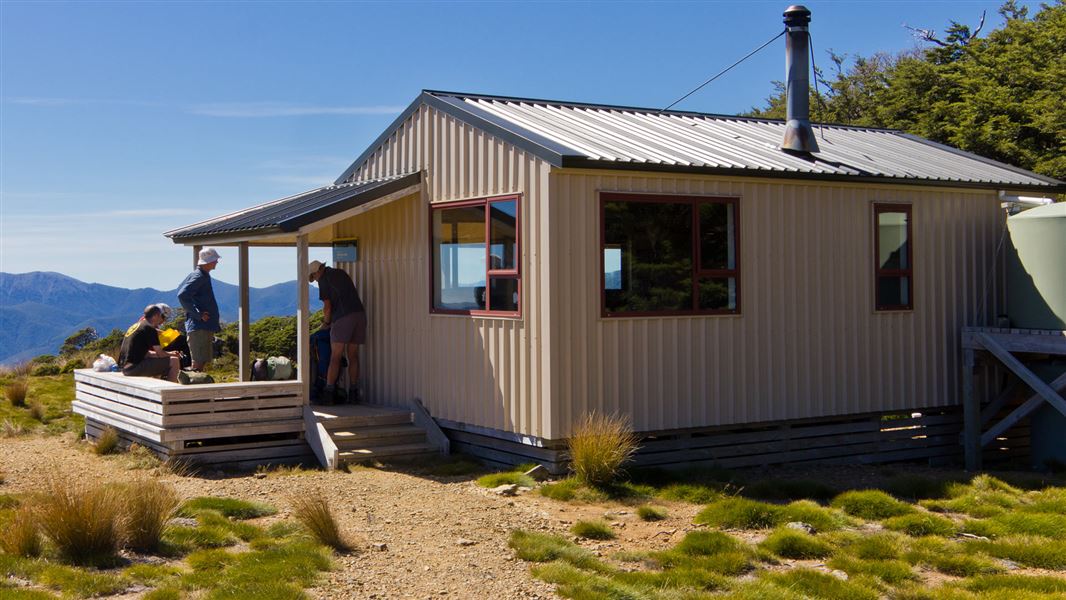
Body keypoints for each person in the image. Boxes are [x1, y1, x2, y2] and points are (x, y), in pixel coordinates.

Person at [308, 260, 366, 403]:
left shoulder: (323, 280)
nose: (315, 280)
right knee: (353, 356)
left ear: (317, 272)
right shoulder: (340, 273)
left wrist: (326, 323)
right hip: (359, 315)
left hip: (343, 317)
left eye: (313, 277)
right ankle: (354, 393)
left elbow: (327, 307)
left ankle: (329, 393)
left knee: (335, 356)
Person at [177, 248, 222, 371]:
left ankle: (194, 384)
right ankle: (191, 387)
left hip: (203, 326)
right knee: (197, 362)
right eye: (215, 260)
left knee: (201, 361)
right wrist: (198, 314)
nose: (217, 262)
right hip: (199, 326)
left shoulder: (202, 275)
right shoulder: (199, 276)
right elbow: (182, 295)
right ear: (208, 261)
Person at [119, 305, 181, 381]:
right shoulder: (150, 329)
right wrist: (173, 354)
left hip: (124, 367)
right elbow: (160, 354)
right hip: (133, 368)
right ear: (156, 316)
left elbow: (146, 353)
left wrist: (170, 353)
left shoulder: (137, 326)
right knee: (174, 361)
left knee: (158, 361)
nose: (162, 320)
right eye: (162, 316)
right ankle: (169, 391)